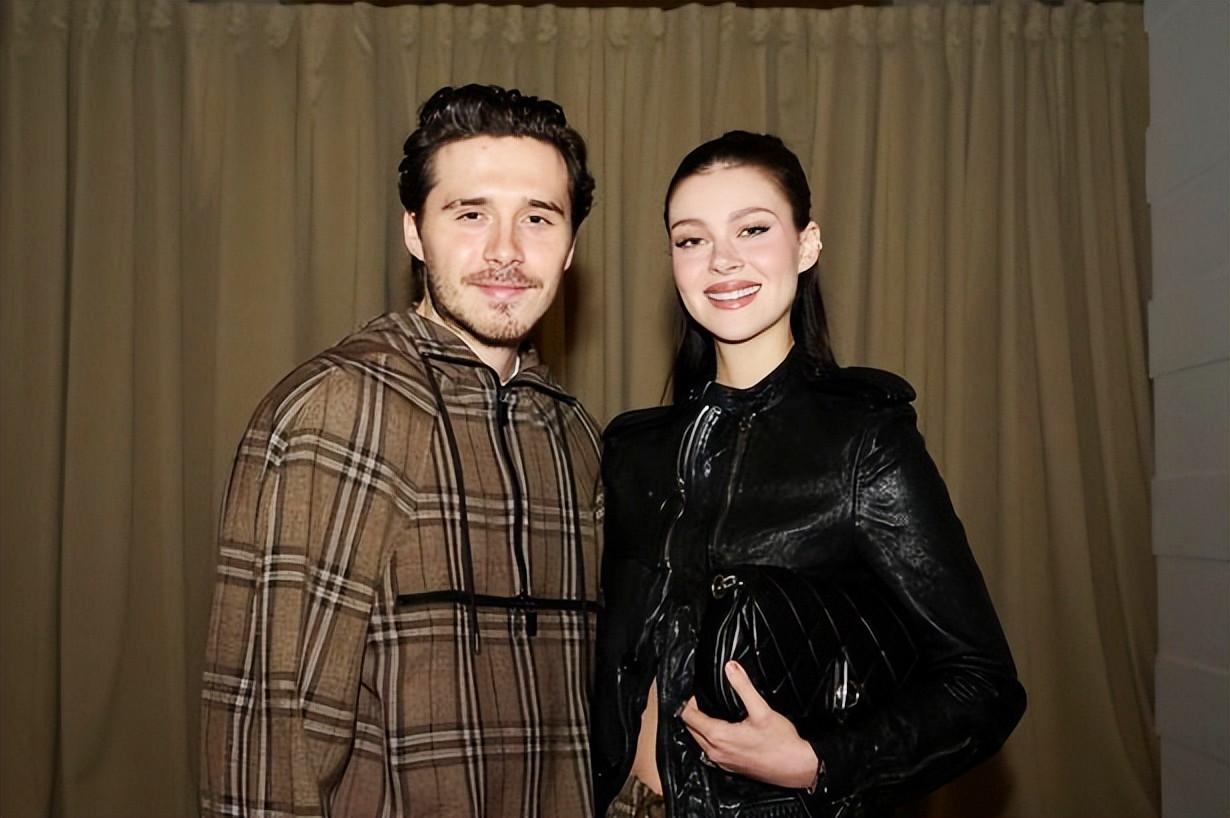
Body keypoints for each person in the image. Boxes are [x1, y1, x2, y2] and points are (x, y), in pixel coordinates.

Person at [591, 131, 1026, 818]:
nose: (722, 260)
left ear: (806, 244)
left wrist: (821, 761)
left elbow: (983, 685)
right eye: (692, 239)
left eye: (752, 229)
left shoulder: (863, 439)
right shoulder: (630, 449)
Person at [200, 84, 603, 818]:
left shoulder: (574, 437)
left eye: (538, 218)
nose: (506, 250)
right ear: (414, 232)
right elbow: (271, 743)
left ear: (571, 246)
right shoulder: (339, 411)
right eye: (470, 213)